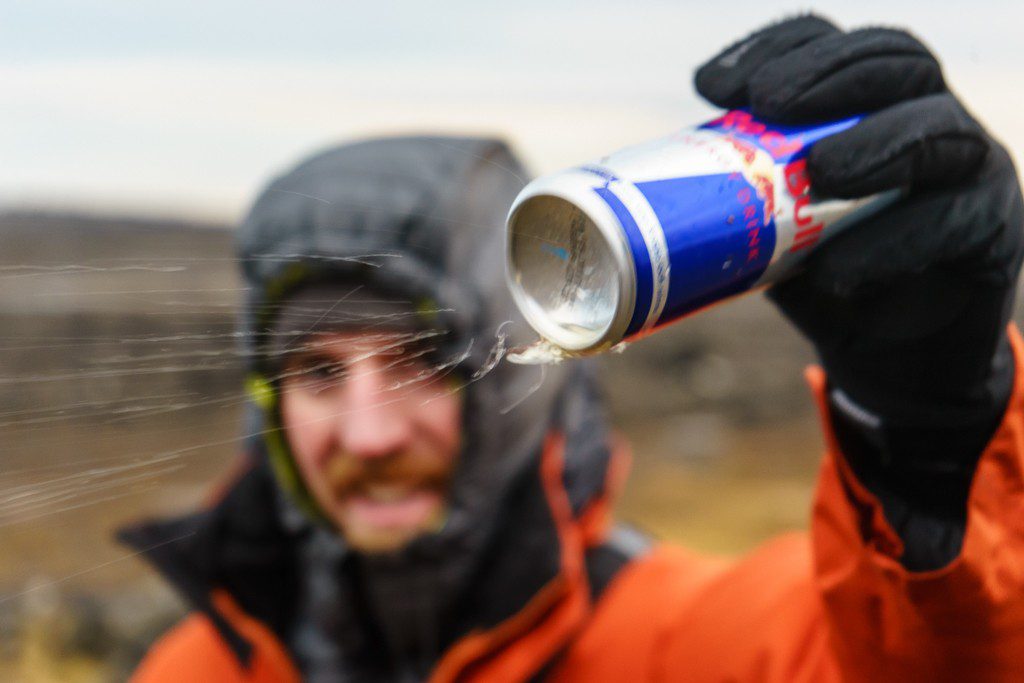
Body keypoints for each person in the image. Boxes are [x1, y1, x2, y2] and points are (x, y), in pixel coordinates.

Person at [120, 15, 1024, 682]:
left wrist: (929, 445)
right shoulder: (196, 668)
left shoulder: (686, 644)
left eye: (422, 360)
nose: (369, 436)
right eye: (318, 371)